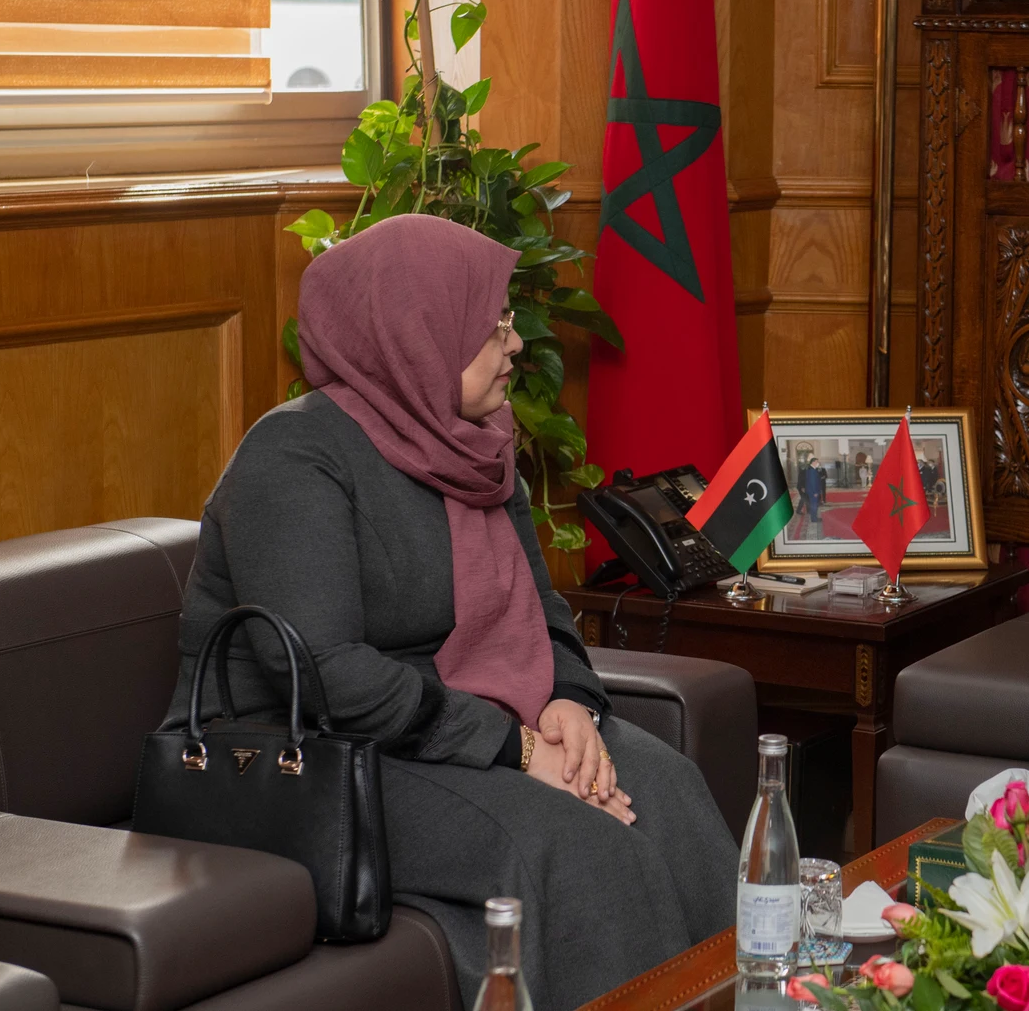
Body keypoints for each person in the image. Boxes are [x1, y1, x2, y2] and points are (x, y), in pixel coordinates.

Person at [159, 214, 735, 1008]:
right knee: (575, 845)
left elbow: (545, 611)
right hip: (308, 758)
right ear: (417, 333)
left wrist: (570, 703)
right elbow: (327, 675)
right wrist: (516, 746)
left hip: (450, 726)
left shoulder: (479, 442)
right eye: (492, 324)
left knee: (668, 789)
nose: (517, 344)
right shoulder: (292, 458)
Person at [800, 456, 826, 522]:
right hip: (813, 491)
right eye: (817, 462)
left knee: (814, 504)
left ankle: (814, 517)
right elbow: (812, 482)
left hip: (811, 491)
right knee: (814, 505)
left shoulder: (811, 469)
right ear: (813, 462)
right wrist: (815, 492)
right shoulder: (812, 471)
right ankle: (814, 519)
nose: (818, 463)